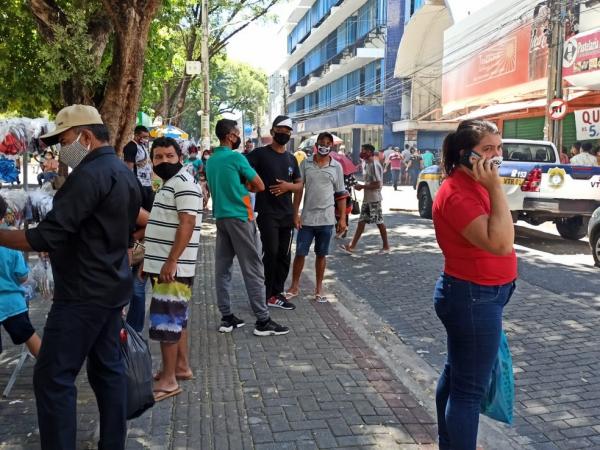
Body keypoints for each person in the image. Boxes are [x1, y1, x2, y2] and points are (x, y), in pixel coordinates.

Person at [0, 105, 141, 450]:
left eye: (64, 142)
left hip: (81, 296)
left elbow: (45, 236)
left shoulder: (89, 175)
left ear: (86, 137)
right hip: (110, 290)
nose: (61, 151)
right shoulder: (124, 174)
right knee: (108, 372)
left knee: (53, 378)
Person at [432, 119, 517, 450]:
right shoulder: (457, 194)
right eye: (487, 150)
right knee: (468, 392)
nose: (496, 156)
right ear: (467, 155)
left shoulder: (475, 184)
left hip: (480, 295)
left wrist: (492, 186)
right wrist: (497, 187)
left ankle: (447, 442)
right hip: (473, 298)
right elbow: (501, 243)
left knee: (456, 376)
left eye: (499, 148)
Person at [206, 119, 289, 336]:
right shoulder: (236, 157)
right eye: (237, 133)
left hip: (221, 217)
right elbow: (260, 185)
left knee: (222, 270)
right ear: (230, 136)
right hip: (241, 217)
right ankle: (263, 320)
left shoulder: (211, 160)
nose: (239, 136)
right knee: (253, 268)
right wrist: (244, 186)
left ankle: (227, 317)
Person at [142, 137, 203, 401]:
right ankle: (180, 367)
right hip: (166, 265)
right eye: (158, 157)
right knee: (177, 319)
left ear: (180, 157)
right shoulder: (170, 183)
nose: (163, 161)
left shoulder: (183, 184)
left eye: (169, 156)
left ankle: (168, 381)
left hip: (173, 268)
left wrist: (171, 261)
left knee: (166, 323)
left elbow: (187, 223)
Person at [285, 132, 348, 303]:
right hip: (307, 219)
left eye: (328, 143)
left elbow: (341, 194)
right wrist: (295, 213)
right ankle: (294, 286)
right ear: (316, 144)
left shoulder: (337, 167)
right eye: (322, 142)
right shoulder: (305, 164)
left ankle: (319, 289)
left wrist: (342, 219)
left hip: (327, 220)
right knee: (300, 253)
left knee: (321, 255)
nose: (324, 145)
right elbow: (299, 190)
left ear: (331, 146)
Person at [247, 115, 301, 310]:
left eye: (287, 131)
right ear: (272, 131)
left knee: (284, 256)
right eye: (280, 130)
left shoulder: (291, 158)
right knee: (271, 253)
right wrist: (251, 186)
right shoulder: (259, 154)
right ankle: (266, 293)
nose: (284, 134)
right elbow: (241, 169)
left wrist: (288, 186)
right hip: (268, 213)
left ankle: (276, 293)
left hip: (287, 215)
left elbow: (300, 185)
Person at [0, 195, 41, 358]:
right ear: (3, 216)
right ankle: (51, 372)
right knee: (30, 337)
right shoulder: (10, 242)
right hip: (12, 304)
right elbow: (23, 277)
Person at [340, 144, 390, 254]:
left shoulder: (374, 165)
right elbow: (370, 182)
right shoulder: (366, 164)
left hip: (374, 199)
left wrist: (362, 186)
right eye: (362, 150)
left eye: (364, 150)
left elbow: (377, 184)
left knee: (379, 222)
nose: (362, 152)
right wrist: (361, 186)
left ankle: (386, 246)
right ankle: (352, 246)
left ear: (370, 152)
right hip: (368, 199)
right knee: (362, 222)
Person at [123, 125, 154, 197]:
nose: (146, 139)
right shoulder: (131, 147)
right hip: (138, 184)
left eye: (147, 136)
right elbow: (128, 168)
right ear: (136, 135)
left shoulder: (142, 145)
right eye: (144, 137)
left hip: (147, 183)